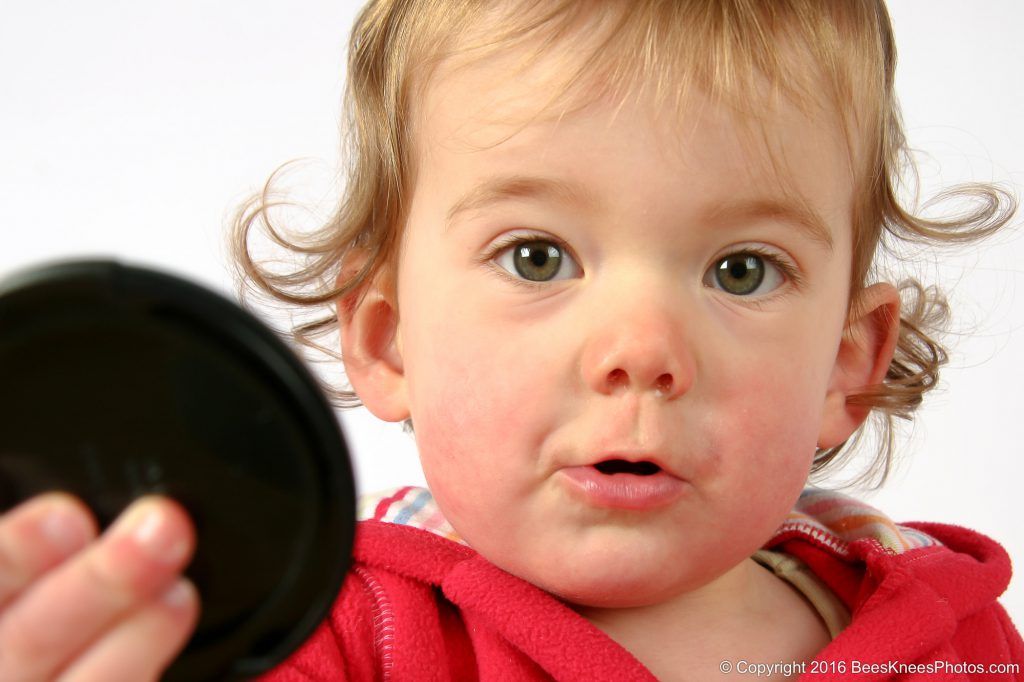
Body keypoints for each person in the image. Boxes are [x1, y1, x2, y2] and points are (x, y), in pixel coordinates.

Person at [0, 1, 1020, 680]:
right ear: (390, 340)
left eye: (740, 269)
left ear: (849, 360)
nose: (640, 348)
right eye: (537, 256)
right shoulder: (328, 638)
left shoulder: (956, 637)